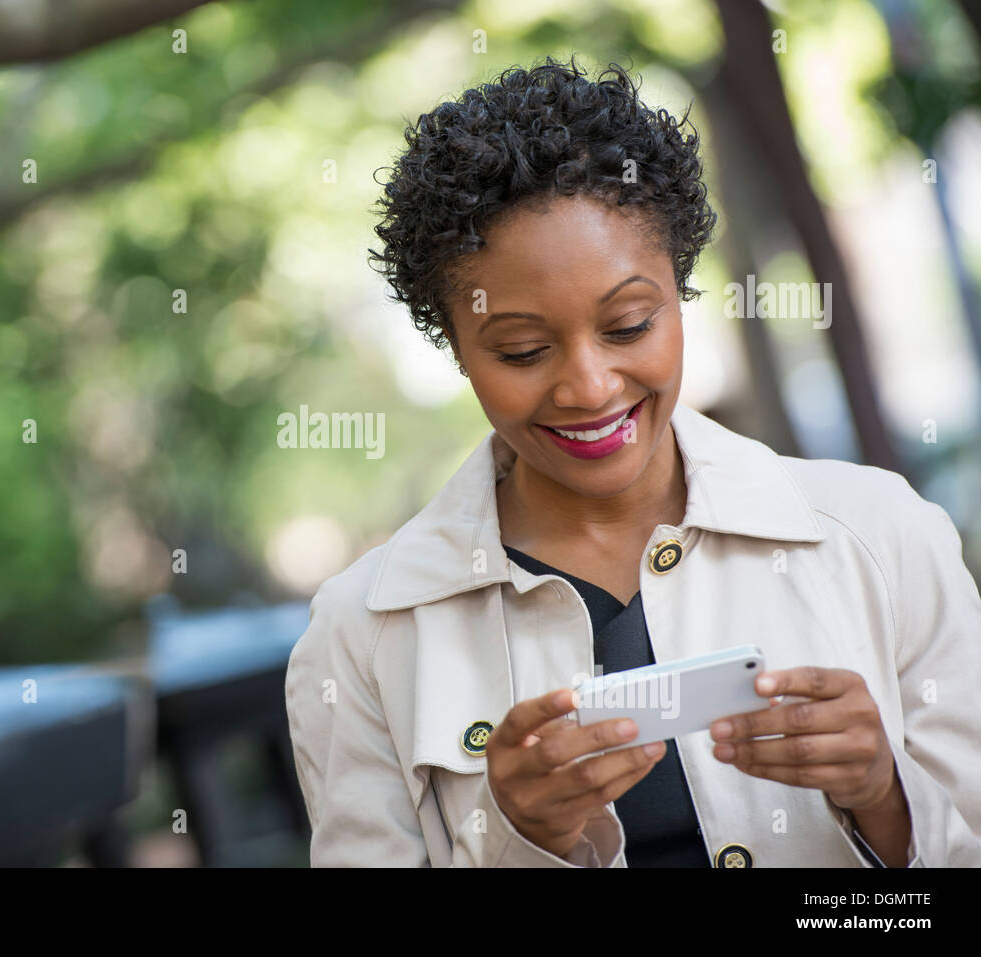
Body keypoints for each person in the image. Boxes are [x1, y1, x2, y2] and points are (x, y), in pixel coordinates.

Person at [283, 55, 981, 867]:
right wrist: (525, 841)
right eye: (523, 349)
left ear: (680, 290)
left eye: (628, 326)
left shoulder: (881, 536)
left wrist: (886, 798)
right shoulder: (362, 636)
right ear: (457, 349)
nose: (588, 386)